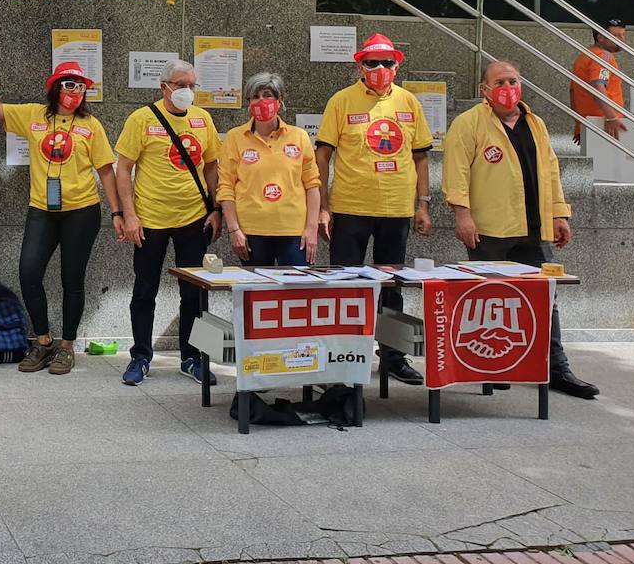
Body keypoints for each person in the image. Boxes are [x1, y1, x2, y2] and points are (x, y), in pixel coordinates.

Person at [443, 60, 598, 399]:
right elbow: (455, 174)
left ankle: (556, 369)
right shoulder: (468, 124)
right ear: (485, 90)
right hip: (489, 230)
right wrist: (463, 216)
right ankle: (493, 368)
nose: (507, 87)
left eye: (513, 80)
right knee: (490, 301)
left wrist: (559, 213)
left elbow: (551, 172)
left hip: (534, 228)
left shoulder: (536, 123)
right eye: (499, 81)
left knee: (545, 299)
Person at [0, 52, 120, 376]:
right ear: (55, 87)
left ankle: (66, 347)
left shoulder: (90, 125)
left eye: (81, 86)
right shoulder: (35, 116)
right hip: (42, 209)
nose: (75, 91)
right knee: (28, 272)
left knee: (72, 279)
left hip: (82, 211)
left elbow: (107, 171)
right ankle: (43, 340)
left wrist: (118, 212)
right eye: (69, 84)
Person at [316, 33, 433, 386]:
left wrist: (423, 205)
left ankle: (393, 357)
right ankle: (342, 356)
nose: (380, 69)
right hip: (350, 208)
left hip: (396, 209)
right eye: (372, 63)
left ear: (397, 66)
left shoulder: (409, 102)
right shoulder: (341, 101)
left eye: (387, 62)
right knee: (345, 285)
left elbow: (421, 156)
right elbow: (322, 154)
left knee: (393, 286)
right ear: (359, 66)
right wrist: (323, 206)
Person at [113, 58, 222, 387]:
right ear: (164, 88)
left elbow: (212, 167)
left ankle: (192, 357)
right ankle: (141, 357)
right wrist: (128, 214)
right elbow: (123, 169)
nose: (187, 91)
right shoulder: (141, 120)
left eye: (192, 85)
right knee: (144, 290)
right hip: (150, 220)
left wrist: (216, 209)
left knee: (194, 293)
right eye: (181, 85)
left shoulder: (203, 120)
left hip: (194, 218)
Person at [217, 72, 320, 268]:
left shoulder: (299, 136)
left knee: (296, 294)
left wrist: (311, 228)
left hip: (293, 232)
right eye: (255, 96)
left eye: (267, 95)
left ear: (280, 100)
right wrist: (233, 230)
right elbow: (226, 187)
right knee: (256, 295)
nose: (261, 101)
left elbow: (312, 184)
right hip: (251, 231)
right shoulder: (235, 137)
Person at [569, 19, 628, 144]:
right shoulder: (603, 57)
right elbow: (598, 86)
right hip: (606, 124)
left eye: (623, 34)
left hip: (589, 122)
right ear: (600, 38)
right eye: (616, 36)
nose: (622, 39)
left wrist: (579, 124)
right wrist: (611, 117)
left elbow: (573, 92)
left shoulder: (584, 56)